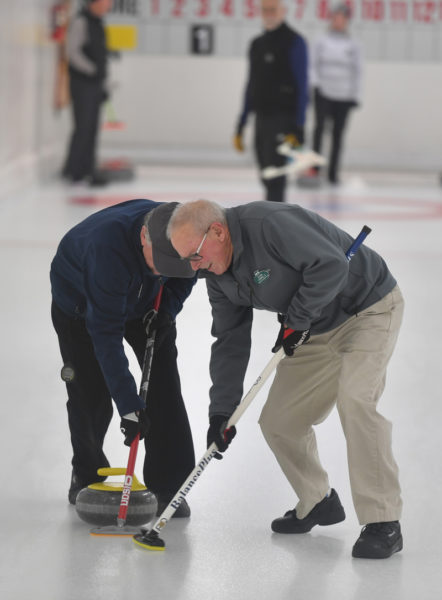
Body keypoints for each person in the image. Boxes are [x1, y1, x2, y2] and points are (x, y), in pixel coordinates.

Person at [162, 198, 404, 559]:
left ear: (218, 230)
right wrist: (221, 412)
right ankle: (317, 499)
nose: (194, 266)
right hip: (313, 327)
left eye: (195, 254)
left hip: (366, 309)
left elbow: (331, 265)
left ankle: (383, 521)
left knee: (356, 400)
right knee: (279, 421)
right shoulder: (215, 276)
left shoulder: (270, 224)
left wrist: (298, 319)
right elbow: (229, 341)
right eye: (187, 261)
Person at [50, 199, 196, 517]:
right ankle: (86, 473)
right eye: (159, 264)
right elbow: (106, 338)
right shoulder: (105, 252)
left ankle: (170, 484)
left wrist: (166, 310)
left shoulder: (185, 230)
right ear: (144, 237)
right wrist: (129, 407)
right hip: (83, 310)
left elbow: (187, 274)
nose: (163, 271)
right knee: (90, 393)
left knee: (163, 385)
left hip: (146, 302)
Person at [233, 0, 308, 203]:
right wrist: (241, 123)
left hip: (283, 118)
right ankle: (273, 215)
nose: (269, 14)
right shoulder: (257, 44)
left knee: (276, 175)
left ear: (283, 11)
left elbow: (302, 86)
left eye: (273, 9)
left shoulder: (295, 42)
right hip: (262, 118)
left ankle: (274, 222)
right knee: (265, 172)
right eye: (265, 10)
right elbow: (251, 84)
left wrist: (299, 126)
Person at [310, 3, 363, 184]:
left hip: (344, 95)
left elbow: (358, 71)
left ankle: (333, 173)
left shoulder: (354, 44)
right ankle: (315, 170)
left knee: (338, 135)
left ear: (347, 20)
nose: (338, 21)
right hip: (323, 92)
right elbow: (313, 65)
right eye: (335, 17)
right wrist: (316, 85)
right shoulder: (321, 41)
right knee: (318, 131)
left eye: (342, 18)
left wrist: (356, 95)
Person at [62, 0, 112, 186]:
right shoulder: (81, 21)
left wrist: (104, 85)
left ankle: (88, 169)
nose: (109, 5)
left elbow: (101, 57)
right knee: (82, 127)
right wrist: (92, 71)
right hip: (82, 83)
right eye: (106, 1)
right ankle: (74, 171)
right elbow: (73, 53)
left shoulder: (98, 23)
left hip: (95, 84)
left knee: (92, 128)